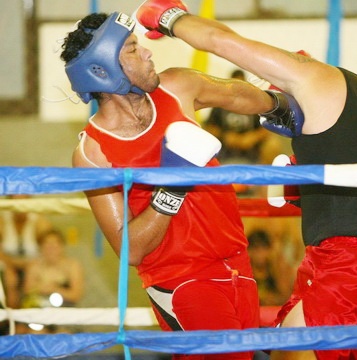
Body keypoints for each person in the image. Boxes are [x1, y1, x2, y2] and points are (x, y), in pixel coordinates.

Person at [135, 1, 357, 359]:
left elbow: (219, 40)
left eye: (278, 100)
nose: (282, 116)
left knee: (291, 353)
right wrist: (309, 188)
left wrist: (168, 17)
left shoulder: (311, 78)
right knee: (283, 345)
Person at [60, 11, 296, 360]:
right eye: (131, 49)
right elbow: (130, 249)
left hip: (236, 263)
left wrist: (285, 106)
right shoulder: (93, 152)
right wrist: (171, 189)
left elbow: (234, 94)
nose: (147, 53)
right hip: (181, 280)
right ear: (102, 70)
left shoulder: (177, 87)